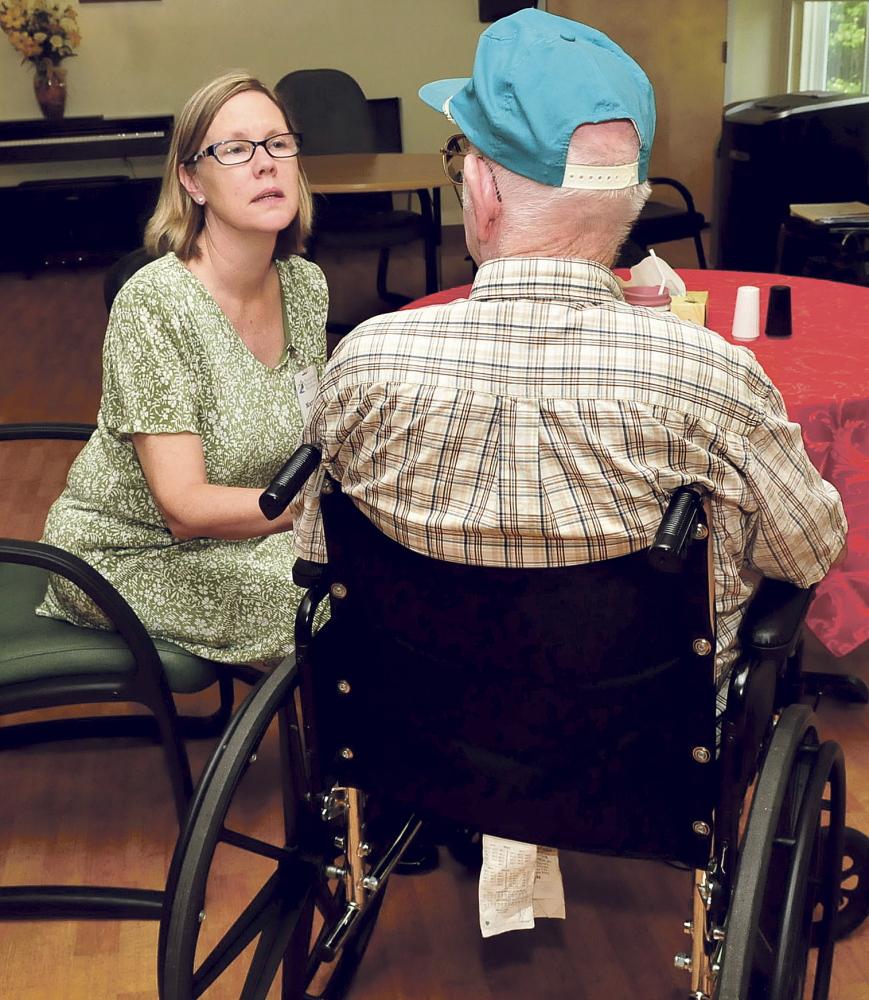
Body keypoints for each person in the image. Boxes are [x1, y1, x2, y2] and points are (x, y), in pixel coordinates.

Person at [290, 9, 846, 711]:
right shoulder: (714, 382)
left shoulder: (361, 367)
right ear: (633, 201)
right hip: (648, 748)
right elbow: (807, 553)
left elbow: (316, 552)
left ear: (482, 192)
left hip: (419, 732)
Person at [37, 70, 328, 663]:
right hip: (131, 554)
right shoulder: (156, 303)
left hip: (250, 532)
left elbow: (313, 440)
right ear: (192, 181)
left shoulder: (305, 286)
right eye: (236, 150)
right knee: (330, 599)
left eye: (278, 144)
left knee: (377, 573)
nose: (265, 164)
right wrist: (323, 513)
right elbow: (185, 509)